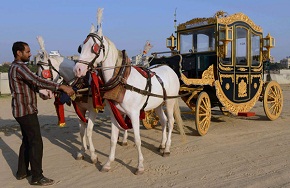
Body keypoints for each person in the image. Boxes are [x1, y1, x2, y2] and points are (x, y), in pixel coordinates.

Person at [8, 41, 75, 186]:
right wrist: (61, 86)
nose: (30, 54)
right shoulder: (19, 67)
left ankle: (22, 172)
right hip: (26, 110)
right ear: (18, 53)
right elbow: (36, 80)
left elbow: (31, 84)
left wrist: (44, 92)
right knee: (36, 142)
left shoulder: (15, 67)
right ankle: (37, 177)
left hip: (21, 110)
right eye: (27, 51)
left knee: (27, 140)